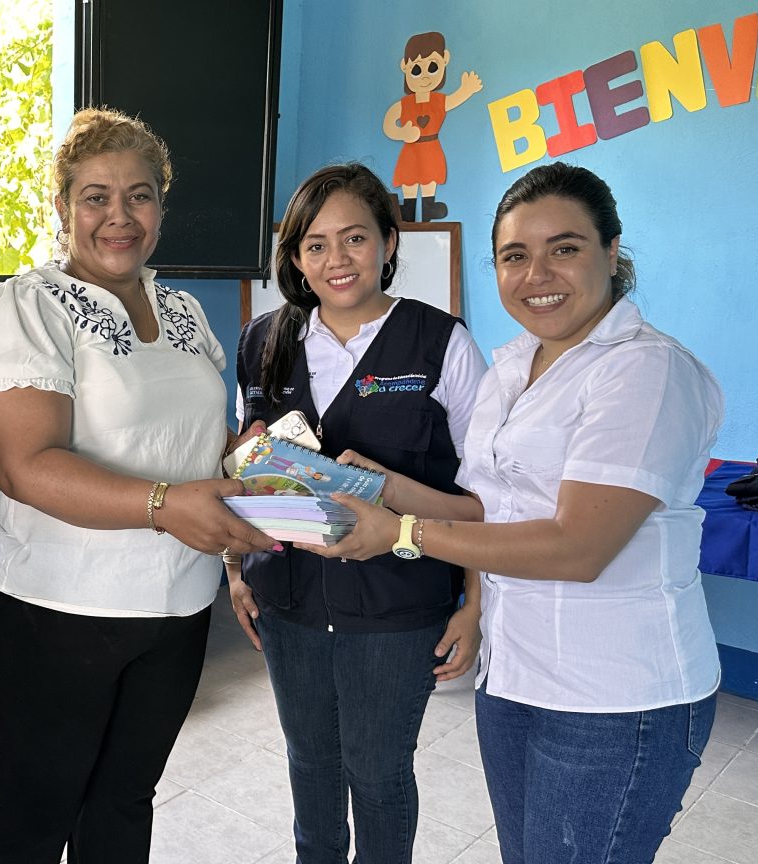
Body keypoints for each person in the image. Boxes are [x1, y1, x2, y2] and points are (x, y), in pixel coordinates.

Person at [304, 162, 724, 864]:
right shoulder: (513, 366)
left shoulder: (646, 370)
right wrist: (387, 487)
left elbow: (578, 547)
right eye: (514, 256)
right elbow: (485, 510)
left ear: (611, 250)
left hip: (615, 697)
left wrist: (401, 533)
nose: (537, 275)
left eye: (565, 248)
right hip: (514, 675)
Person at [0, 107, 276, 864]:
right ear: (62, 206)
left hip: (178, 604)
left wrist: (246, 458)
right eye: (96, 197)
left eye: (140, 195)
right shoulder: (25, 308)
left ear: (162, 205)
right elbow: (25, 466)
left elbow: (188, 441)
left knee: (124, 804)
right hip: (59, 610)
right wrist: (166, 506)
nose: (119, 216)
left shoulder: (182, 309)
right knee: (35, 812)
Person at [226, 162, 488, 863]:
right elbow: (243, 470)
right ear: (295, 258)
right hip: (289, 604)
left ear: (388, 242)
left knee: (378, 775)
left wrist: (474, 604)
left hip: (399, 608)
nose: (336, 260)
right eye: (315, 244)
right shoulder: (262, 342)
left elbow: (486, 500)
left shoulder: (442, 343)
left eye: (355, 238)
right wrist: (237, 571)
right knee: (310, 767)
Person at [381, 31, 483, 222]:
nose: (424, 77)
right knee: (409, 179)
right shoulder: (404, 104)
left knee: (430, 177)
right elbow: (388, 124)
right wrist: (402, 132)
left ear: (445, 60)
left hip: (431, 146)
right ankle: (408, 208)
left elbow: (453, 100)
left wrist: (466, 90)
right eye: (416, 70)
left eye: (433, 67)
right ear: (405, 67)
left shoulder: (438, 101)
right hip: (411, 151)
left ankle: (429, 206)